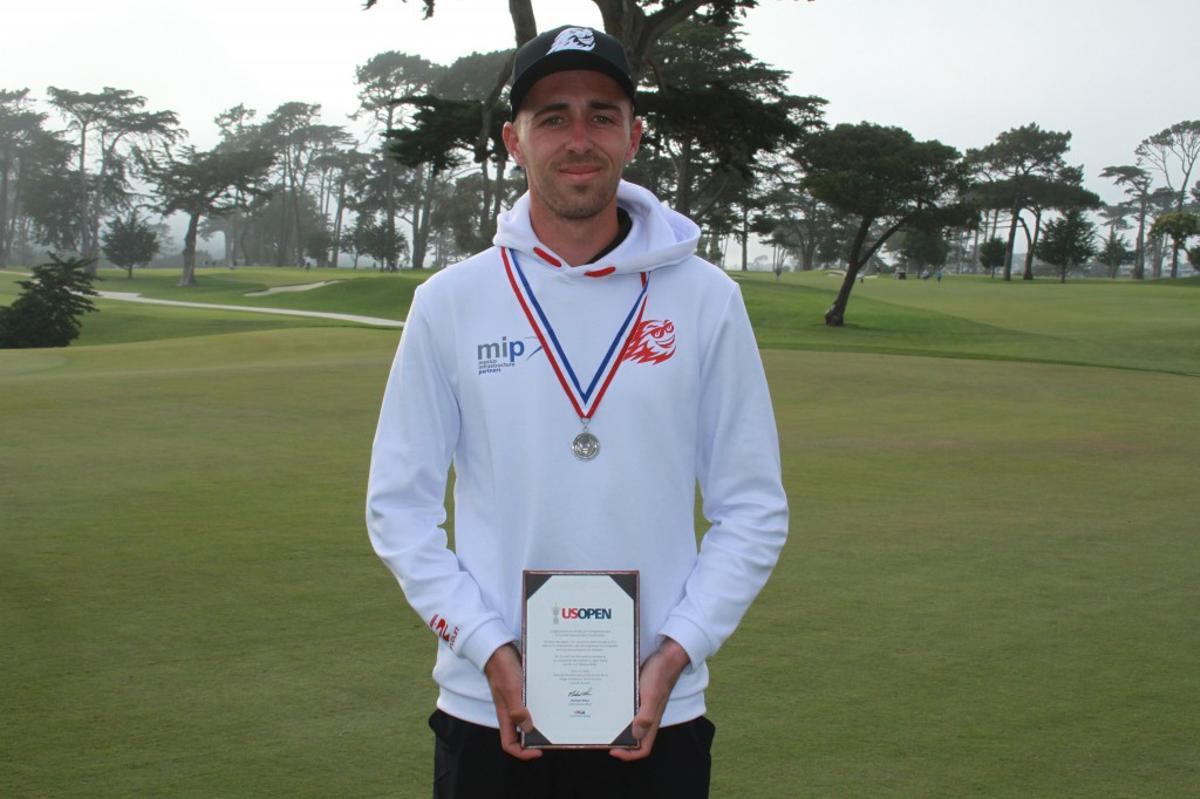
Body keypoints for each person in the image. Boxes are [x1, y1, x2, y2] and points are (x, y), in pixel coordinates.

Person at [366, 24, 788, 799]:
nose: (578, 138)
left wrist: (678, 650)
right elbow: (398, 506)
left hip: (658, 713)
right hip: (488, 714)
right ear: (513, 140)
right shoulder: (449, 304)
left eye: (601, 113)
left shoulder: (706, 301)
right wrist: (486, 645)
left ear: (634, 134)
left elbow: (753, 507)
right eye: (552, 116)